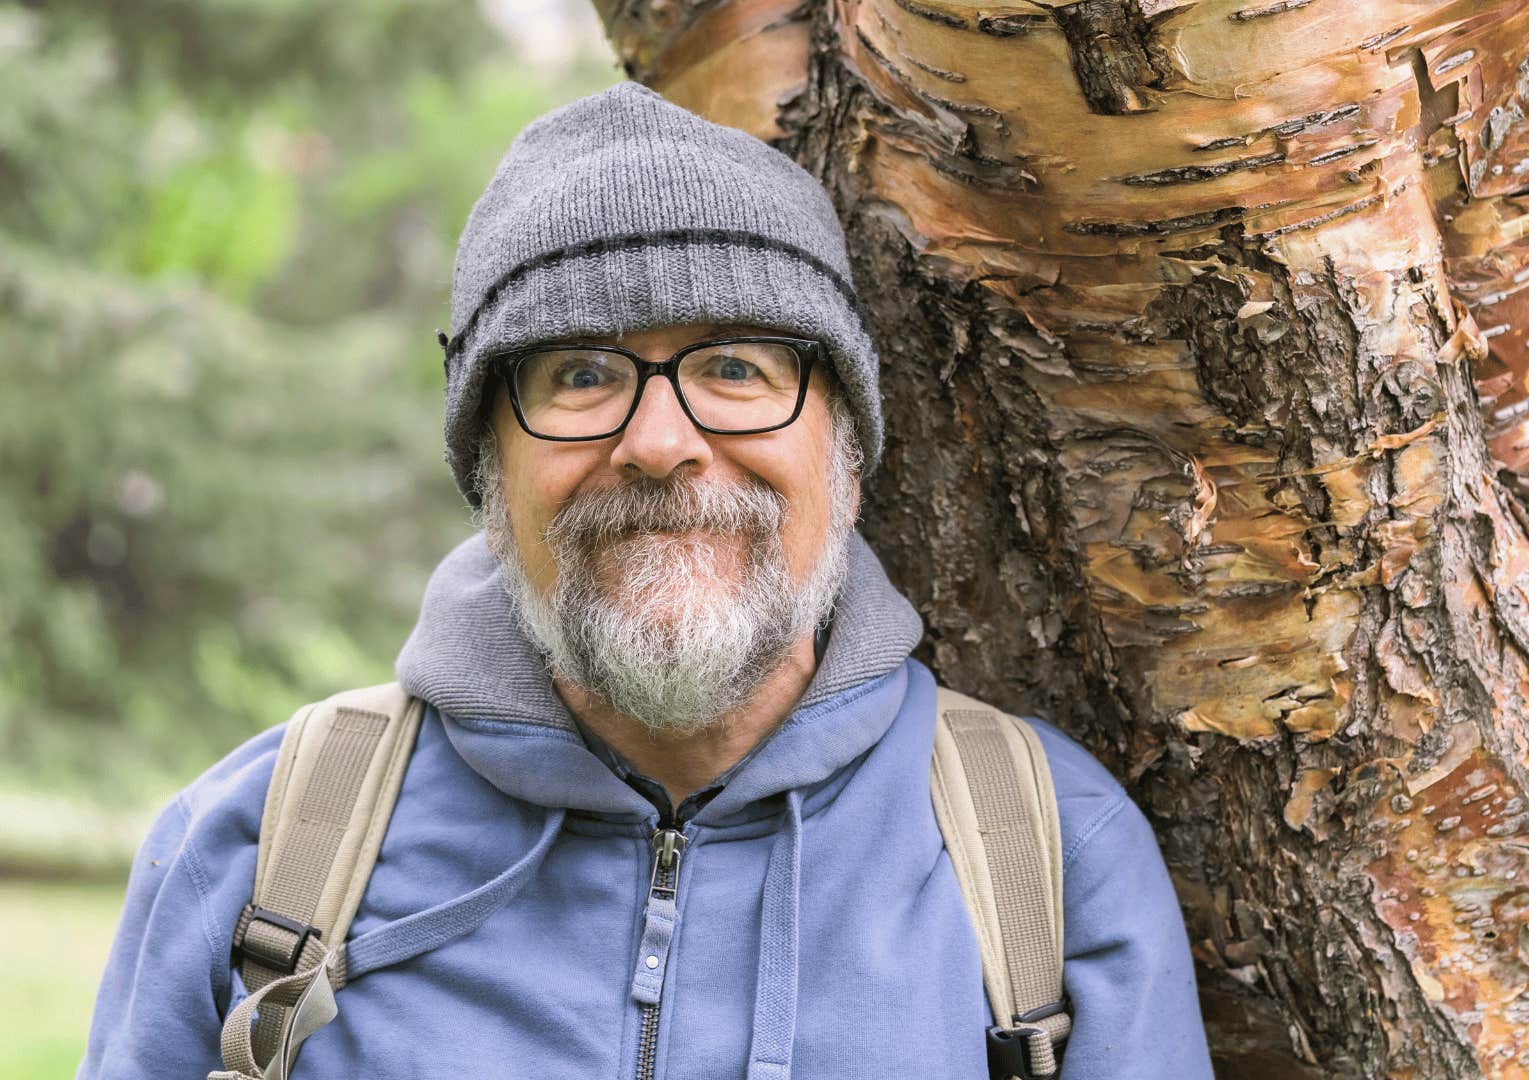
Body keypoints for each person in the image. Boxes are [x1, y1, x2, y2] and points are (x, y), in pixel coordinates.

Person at [77, 82, 1211, 1079]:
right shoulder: (260, 850)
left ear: (848, 456)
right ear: (489, 474)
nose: (659, 442)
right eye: (579, 373)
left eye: (732, 365)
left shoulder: (1050, 859)